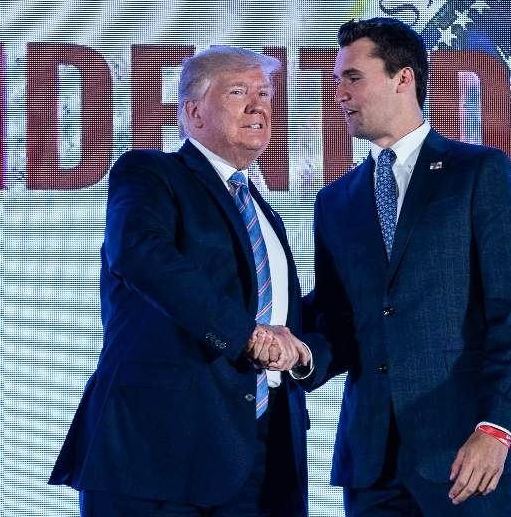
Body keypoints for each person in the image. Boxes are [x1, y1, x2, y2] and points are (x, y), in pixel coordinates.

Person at [49, 46, 316, 517]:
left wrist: (302, 352)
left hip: (262, 457)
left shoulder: (263, 211)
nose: (260, 105)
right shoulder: (151, 174)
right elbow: (143, 256)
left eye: (265, 93)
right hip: (158, 454)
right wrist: (246, 335)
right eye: (238, 92)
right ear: (193, 113)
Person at [303, 18, 511, 516]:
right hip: (371, 467)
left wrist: (497, 429)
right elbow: (338, 326)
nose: (339, 93)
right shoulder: (335, 201)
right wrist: (294, 353)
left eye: (352, 77)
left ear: (402, 78)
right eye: (336, 81)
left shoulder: (479, 172)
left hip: (469, 456)